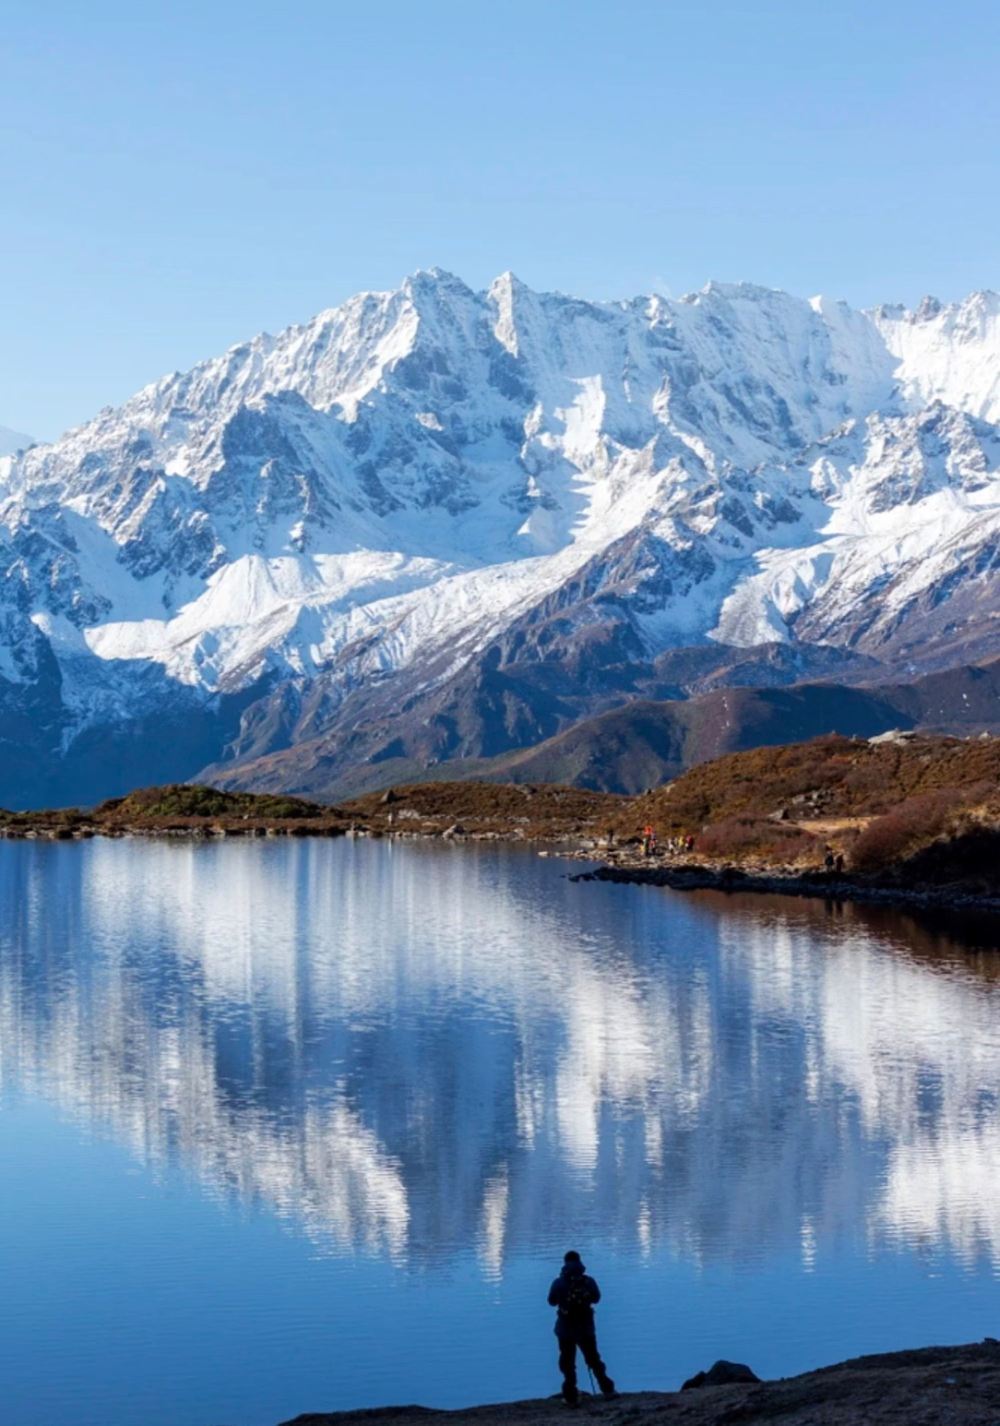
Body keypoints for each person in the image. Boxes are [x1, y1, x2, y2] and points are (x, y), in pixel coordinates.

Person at [547, 1250, 616, 1406]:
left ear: (565, 1263)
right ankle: (608, 1390)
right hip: (586, 1328)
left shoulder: (558, 1282)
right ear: (580, 1262)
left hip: (565, 1330)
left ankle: (571, 1397)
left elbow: (551, 1301)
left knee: (567, 1363)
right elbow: (597, 1298)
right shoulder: (588, 1281)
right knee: (593, 1359)